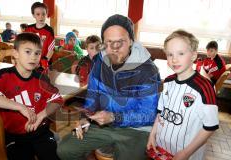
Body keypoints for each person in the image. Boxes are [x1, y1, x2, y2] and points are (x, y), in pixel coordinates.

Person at [57, 14, 160, 160]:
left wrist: (114, 117)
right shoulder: (99, 61)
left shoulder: (148, 70)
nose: (114, 48)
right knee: (65, 149)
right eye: (109, 42)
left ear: (131, 41)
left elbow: (148, 115)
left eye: (121, 42)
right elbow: (92, 96)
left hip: (136, 130)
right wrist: (85, 117)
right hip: (103, 124)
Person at [147, 30, 219, 160]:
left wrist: (186, 153)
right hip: (162, 147)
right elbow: (160, 113)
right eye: (170, 54)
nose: (174, 59)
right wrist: (153, 134)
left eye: (181, 53)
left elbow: (210, 126)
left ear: (193, 56)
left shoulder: (204, 87)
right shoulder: (168, 81)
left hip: (187, 153)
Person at [0, 32, 63, 160]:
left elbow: (57, 100)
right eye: (28, 52)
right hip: (14, 136)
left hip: (41, 132)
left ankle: (54, 137)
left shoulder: (42, 79)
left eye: (37, 53)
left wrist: (41, 116)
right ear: (16, 53)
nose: (33, 57)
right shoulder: (4, 76)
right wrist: (20, 107)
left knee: (53, 156)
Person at [25, 2, 55, 69]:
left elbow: (51, 49)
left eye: (43, 14)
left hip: (44, 64)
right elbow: (24, 45)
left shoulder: (49, 30)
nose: (41, 16)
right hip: (30, 62)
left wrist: (44, 61)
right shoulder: (28, 29)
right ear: (33, 15)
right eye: (38, 14)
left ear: (46, 14)